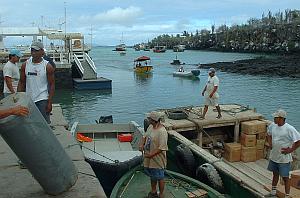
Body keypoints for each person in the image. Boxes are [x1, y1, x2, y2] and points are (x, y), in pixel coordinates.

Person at [17, 41, 55, 124]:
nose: (33, 53)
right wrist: (19, 98)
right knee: (30, 124)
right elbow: (22, 82)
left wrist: (49, 102)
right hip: (28, 100)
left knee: (44, 124)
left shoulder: (47, 66)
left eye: (36, 51)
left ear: (42, 51)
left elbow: (51, 85)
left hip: (42, 99)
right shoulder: (25, 65)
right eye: (32, 50)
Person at [265, 109, 300, 198]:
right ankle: (273, 192)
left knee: (285, 177)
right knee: (275, 174)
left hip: (283, 158)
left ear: (281, 118)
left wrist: (291, 150)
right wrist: (270, 143)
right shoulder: (273, 125)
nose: (274, 119)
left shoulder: (289, 129)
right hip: (274, 156)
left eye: (275, 117)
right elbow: (268, 134)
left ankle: (287, 195)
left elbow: (298, 141)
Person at [139, 111, 168, 198]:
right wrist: (141, 144)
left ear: (154, 120)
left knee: (160, 176)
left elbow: (162, 147)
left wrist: (151, 155)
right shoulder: (151, 127)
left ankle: (161, 194)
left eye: (150, 119)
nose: (148, 120)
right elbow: (145, 136)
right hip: (149, 156)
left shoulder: (162, 131)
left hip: (158, 159)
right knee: (152, 174)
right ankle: (153, 190)